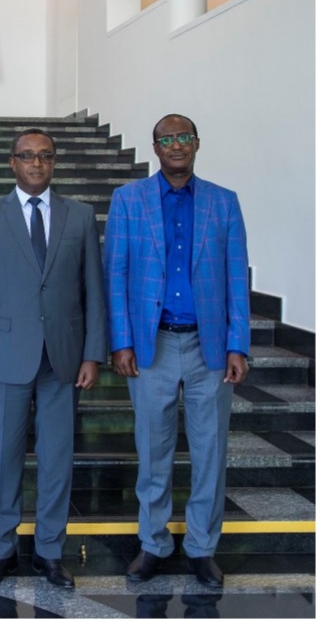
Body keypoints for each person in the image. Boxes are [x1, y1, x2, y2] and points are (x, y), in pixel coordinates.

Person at [104, 113, 249, 589]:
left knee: (210, 451)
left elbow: (236, 280)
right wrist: (121, 340)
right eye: (167, 139)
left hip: (209, 347)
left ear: (197, 143)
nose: (176, 145)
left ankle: (202, 548)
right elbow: (116, 275)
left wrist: (237, 344)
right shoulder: (128, 200)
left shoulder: (223, 203)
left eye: (184, 137)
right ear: (155, 147)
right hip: (153, 345)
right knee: (153, 450)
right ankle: (154, 543)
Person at [0, 128, 107, 589]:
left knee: (57, 457)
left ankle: (49, 552)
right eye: (27, 156)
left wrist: (93, 353)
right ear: (12, 162)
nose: (37, 163)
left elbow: (94, 292)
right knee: (5, 457)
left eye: (45, 156)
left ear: (54, 161)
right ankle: (1, 550)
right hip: (4, 359)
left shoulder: (80, 216)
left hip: (64, 357)